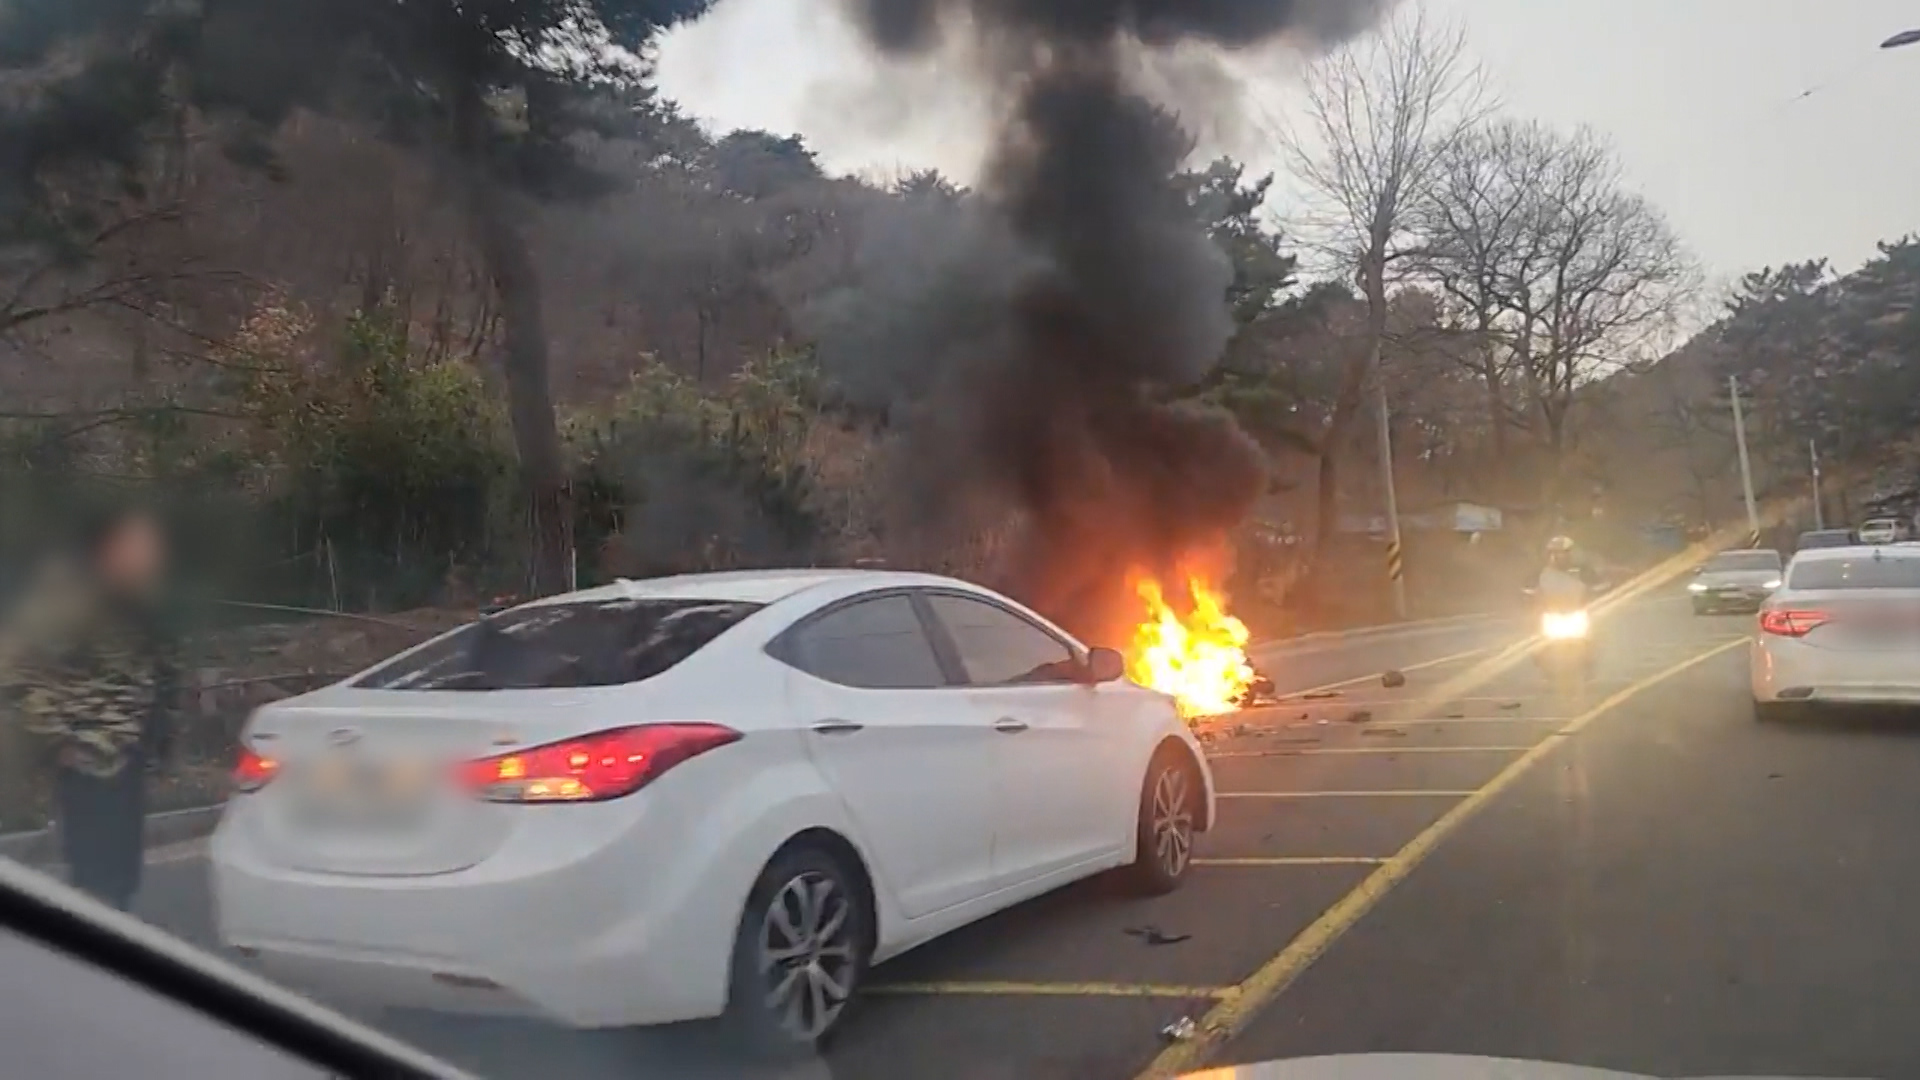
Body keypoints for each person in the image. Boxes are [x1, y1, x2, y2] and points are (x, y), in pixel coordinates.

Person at [0, 505, 177, 912]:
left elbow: (151, 669)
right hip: (88, 755)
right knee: (96, 878)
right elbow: (14, 670)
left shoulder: (135, 597)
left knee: (121, 873)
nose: (149, 553)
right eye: (138, 544)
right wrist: (57, 739)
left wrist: (161, 734)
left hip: (128, 752)